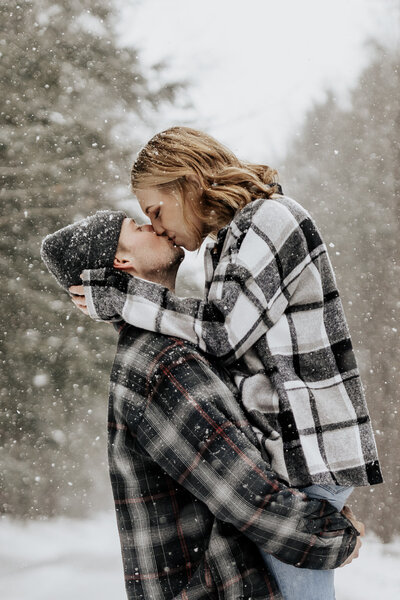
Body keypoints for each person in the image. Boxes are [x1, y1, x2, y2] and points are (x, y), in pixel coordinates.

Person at [69, 127, 382, 600]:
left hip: (304, 453)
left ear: (188, 181)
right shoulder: (226, 242)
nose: (157, 226)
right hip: (284, 460)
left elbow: (222, 333)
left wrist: (122, 297)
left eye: (156, 210)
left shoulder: (271, 219)